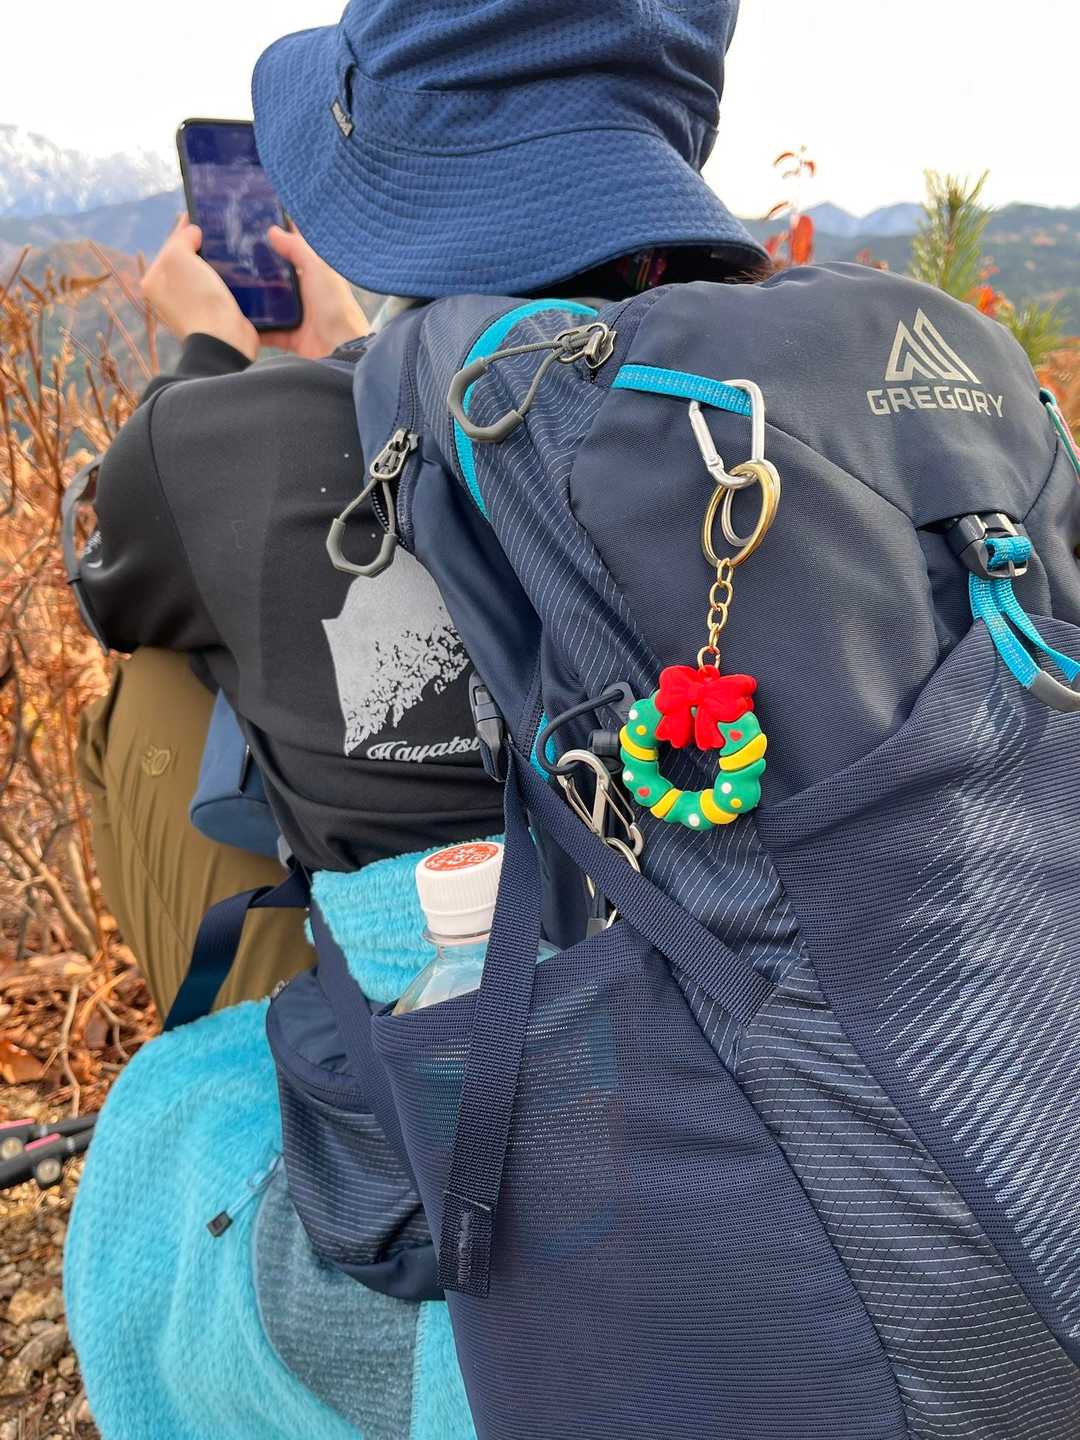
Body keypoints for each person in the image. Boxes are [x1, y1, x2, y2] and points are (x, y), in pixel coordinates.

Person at [65, 0, 767, 1435]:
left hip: (478, 1104)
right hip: (780, 1038)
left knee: (163, 680)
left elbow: (116, 584)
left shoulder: (225, 437)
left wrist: (218, 361)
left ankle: (278, 1040)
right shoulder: (790, 393)